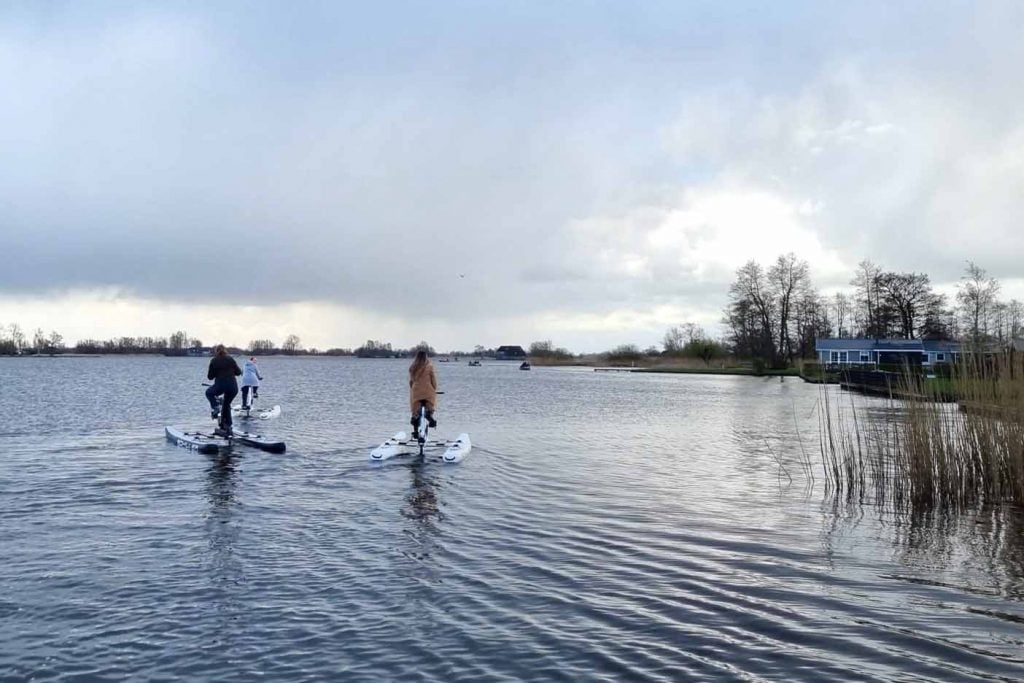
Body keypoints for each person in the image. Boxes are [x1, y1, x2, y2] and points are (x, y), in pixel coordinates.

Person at [206, 344, 242, 435]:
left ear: (216, 351)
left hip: (221, 385)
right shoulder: (230, 359)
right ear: (225, 351)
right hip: (233, 387)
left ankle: (215, 407)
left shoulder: (214, 360)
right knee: (226, 404)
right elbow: (238, 372)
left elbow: (210, 377)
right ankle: (227, 425)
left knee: (209, 393)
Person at [409, 349, 438, 438]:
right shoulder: (429, 366)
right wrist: (434, 388)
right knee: (430, 406)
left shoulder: (412, 367)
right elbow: (433, 381)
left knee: (415, 411)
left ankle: (415, 431)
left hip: (416, 392)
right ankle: (431, 418)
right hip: (428, 392)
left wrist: (412, 388)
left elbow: (411, 382)